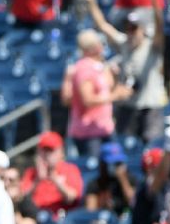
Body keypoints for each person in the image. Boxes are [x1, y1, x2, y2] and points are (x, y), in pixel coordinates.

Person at [60, 30, 124, 159]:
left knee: (115, 168)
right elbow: (87, 100)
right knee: (95, 172)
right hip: (89, 133)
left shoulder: (99, 67)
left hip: (105, 128)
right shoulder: (84, 68)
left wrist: (115, 78)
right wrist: (115, 96)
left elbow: (109, 88)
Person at [20, 132, 83, 214]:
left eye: (50, 150)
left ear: (61, 152)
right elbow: (22, 199)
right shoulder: (31, 172)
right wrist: (37, 180)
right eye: (44, 150)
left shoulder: (70, 169)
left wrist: (55, 179)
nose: (46, 154)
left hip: (61, 217)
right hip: (36, 216)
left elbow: (72, 199)